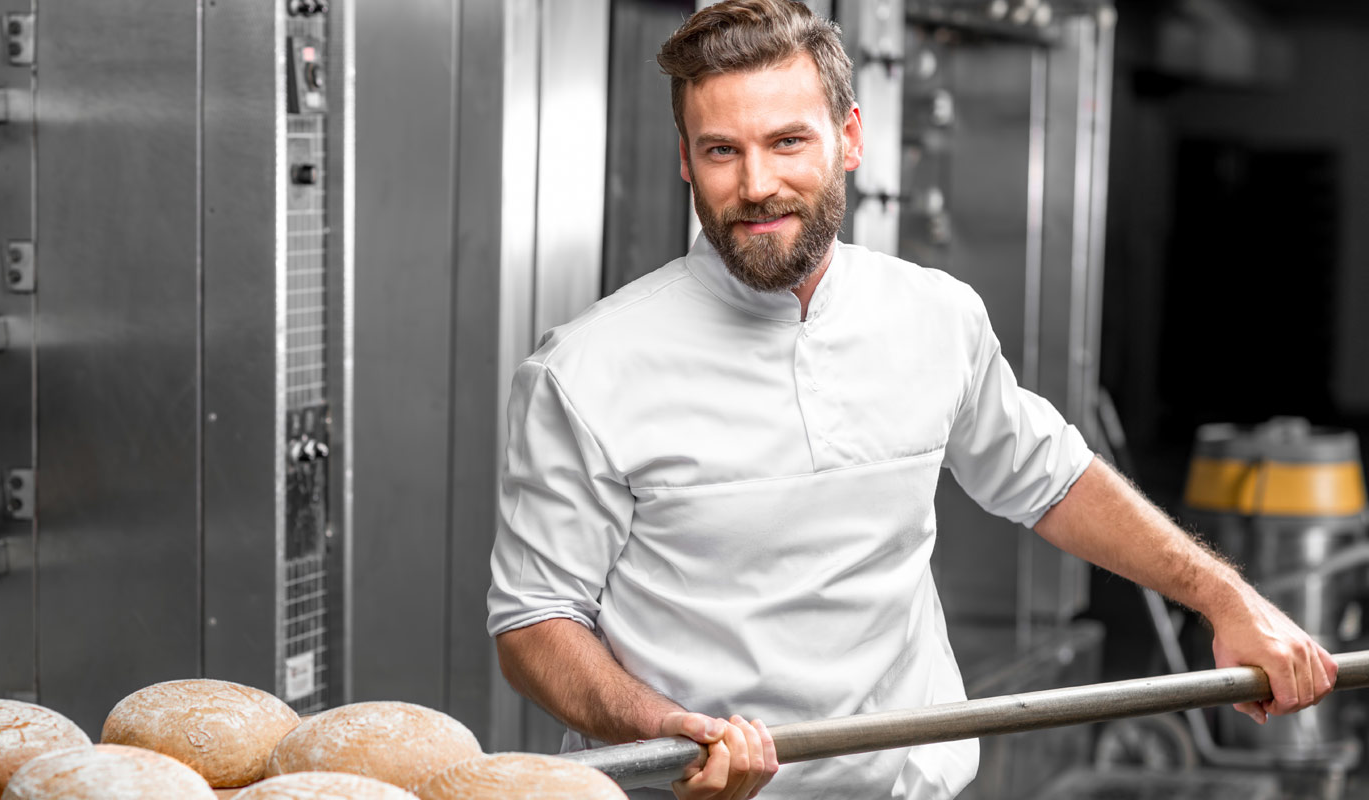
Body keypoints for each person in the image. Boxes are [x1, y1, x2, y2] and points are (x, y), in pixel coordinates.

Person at [485, 1, 1337, 797]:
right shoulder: (585, 370)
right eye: (721, 150)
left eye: (788, 142)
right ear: (685, 160)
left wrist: (1228, 599)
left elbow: (1052, 480)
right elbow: (534, 621)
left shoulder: (936, 314)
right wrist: (665, 730)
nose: (755, 185)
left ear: (850, 138)